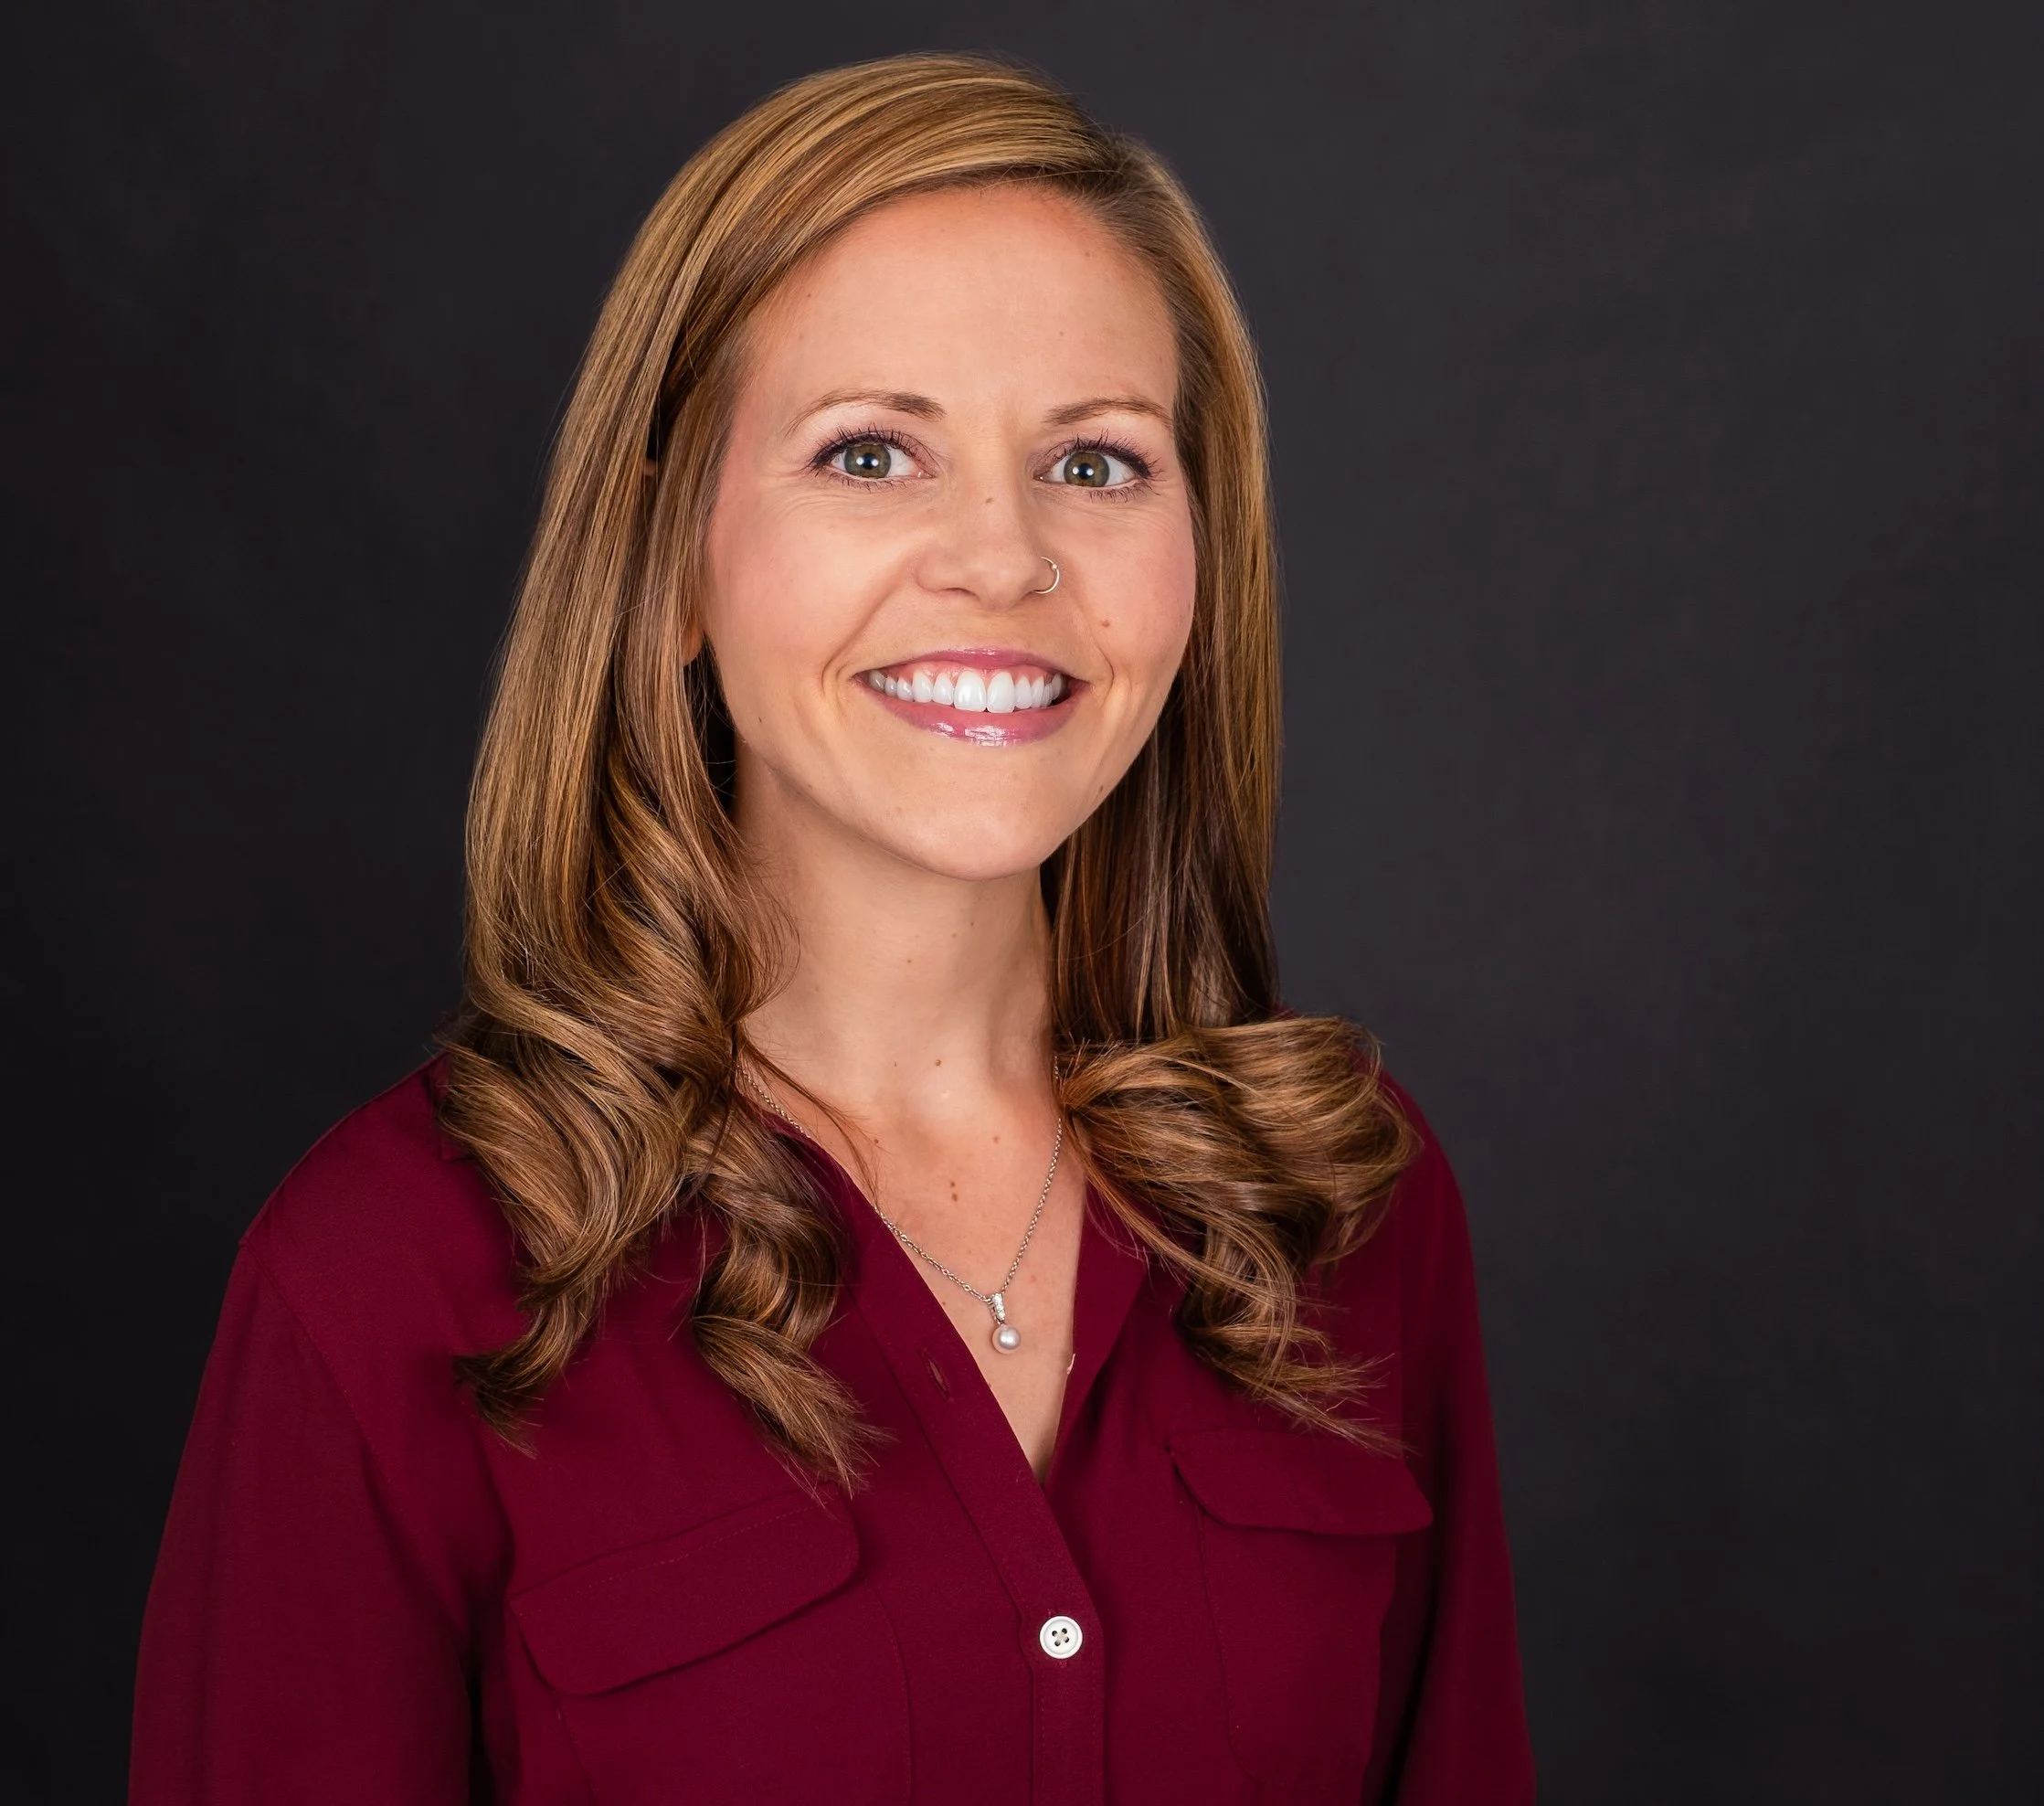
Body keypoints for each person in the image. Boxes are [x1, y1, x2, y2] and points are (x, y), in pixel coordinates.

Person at [131, 52, 1534, 1805]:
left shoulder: (1347, 1216)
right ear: (673, 553)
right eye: (871, 452)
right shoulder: (388, 1281)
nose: (1003, 561)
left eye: (1096, 463)